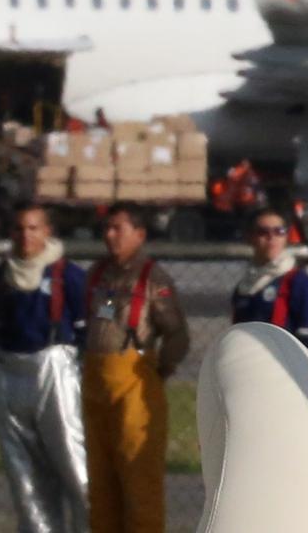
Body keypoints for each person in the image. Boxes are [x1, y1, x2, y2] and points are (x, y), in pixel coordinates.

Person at [81, 203, 189, 533]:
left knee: (139, 483)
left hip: (136, 387)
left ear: (139, 234)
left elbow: (178, 334)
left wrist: (160, 370)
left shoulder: (154, 279)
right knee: (101, 485)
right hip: (96, 385)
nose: (110, 235)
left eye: (119, 228)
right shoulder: (97, 273)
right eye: (107, 228)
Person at [0, 203, 90, 533]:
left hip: (54, 368)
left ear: (47, 232)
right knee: (25, 478)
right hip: (10, 372)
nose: (25, 236)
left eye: (33, 228)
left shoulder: (68, 275)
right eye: (19, 228)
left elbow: (98, 316)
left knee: (76, 468)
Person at [232, 207, 308, 365]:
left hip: (286, 372)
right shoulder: (244, 286)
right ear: (249, 237)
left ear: (286, 236)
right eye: (262, 232)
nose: (271, 237)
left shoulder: (298, 282)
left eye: (279, 231)